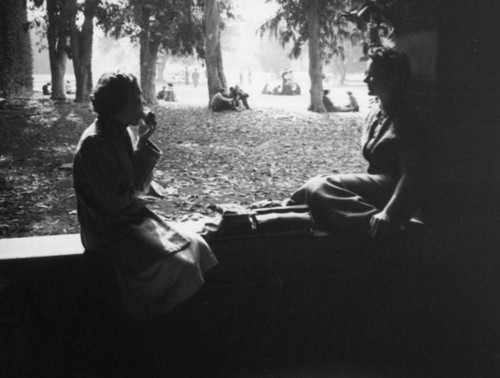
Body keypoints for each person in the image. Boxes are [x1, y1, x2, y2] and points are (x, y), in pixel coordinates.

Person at [73, 72, 218, 319]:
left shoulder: (119, 131)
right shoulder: (96, 143)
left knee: (198, 244)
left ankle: (192, 318)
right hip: (108, 229)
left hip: (128, 219)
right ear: (123, 104)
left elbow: (135, 184)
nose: (143, 107)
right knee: (180, 265)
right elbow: (113, 203)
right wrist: (138, 200)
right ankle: (162, 323)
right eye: (139, 101)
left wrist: (144, 141)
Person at [287, 47, 427, 239]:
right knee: (315, 184)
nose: (366, 80)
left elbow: (411, 174)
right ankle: (285, 210)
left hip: (393, 189)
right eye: (366, 74)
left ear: (391, 79)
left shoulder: (405, 118)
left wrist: (389, 212)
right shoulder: (374, 113)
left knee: (322, 186)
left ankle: (382, 225)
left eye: (372, 76)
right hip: (376, 183)